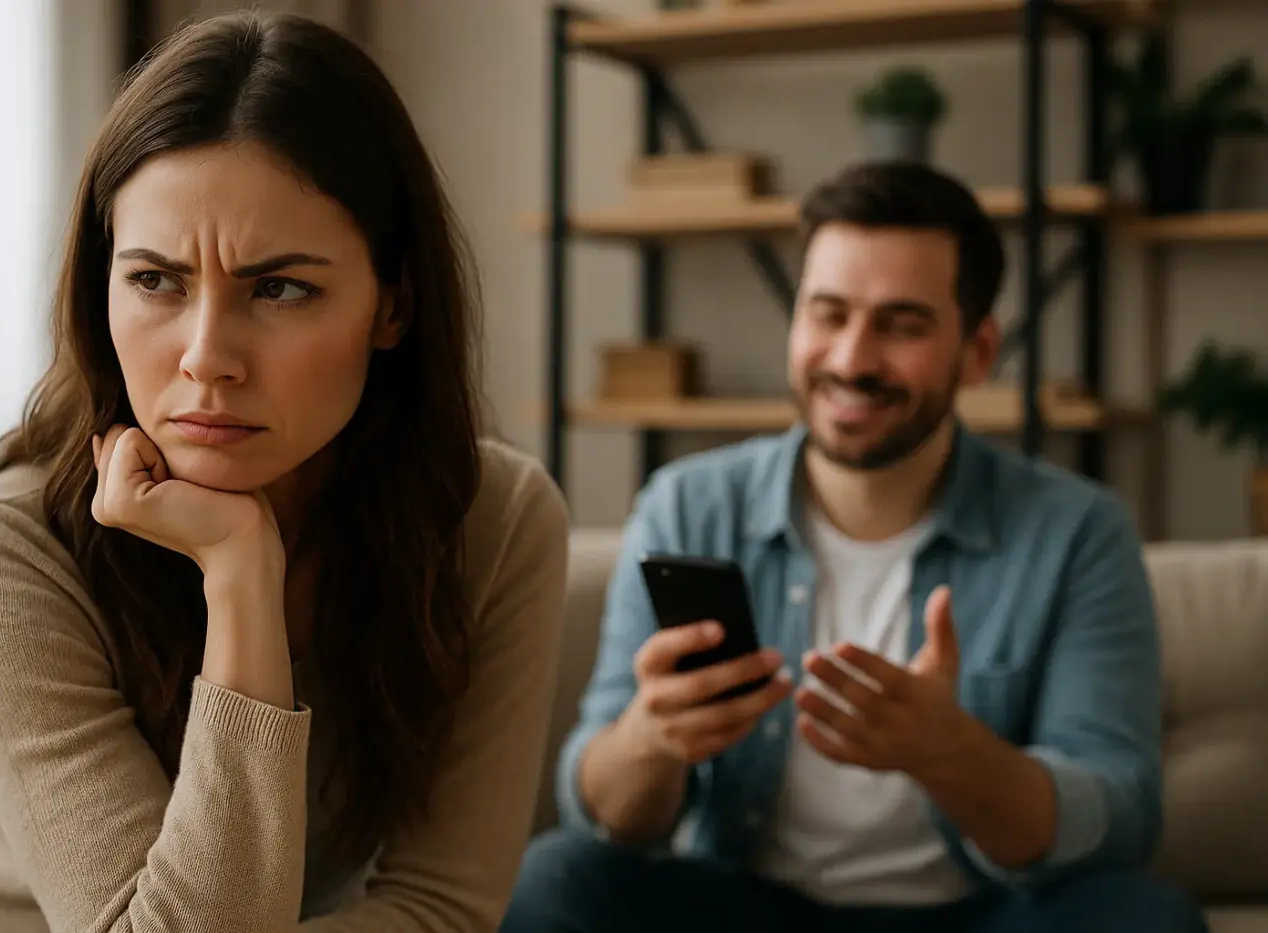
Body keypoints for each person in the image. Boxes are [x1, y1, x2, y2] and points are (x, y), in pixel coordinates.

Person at [0, 11, 569, 933]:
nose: (207, 358)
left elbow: (442, 905)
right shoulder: (1, 552)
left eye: (279, 287)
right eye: (156, 280)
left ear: (393, 305)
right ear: (101, 288)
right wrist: (243, 574)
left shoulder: (497, 521)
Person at [500, 161, 1207, 933]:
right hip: (743, 908)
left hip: (980, 917)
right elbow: (597, 808)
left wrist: (950, 752)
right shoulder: (688, 505)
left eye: (901, 325)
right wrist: (653, 736)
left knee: (1151, 920)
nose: (851, 360)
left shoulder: (1079, 532)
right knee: (555, 878)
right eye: (828, 314)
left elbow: (1121, 814)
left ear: (977, 351)